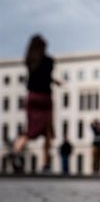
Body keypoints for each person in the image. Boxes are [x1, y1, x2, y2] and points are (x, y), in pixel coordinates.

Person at [11, 35, 60, 173]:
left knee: (30, 130)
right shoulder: (48, 61)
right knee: (48, 131)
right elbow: (46, 76)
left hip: (32, 97)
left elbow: (37, 76)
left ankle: (16, 150)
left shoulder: (29, 60)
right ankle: (46, 164)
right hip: (45, 98)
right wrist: (53, 81)